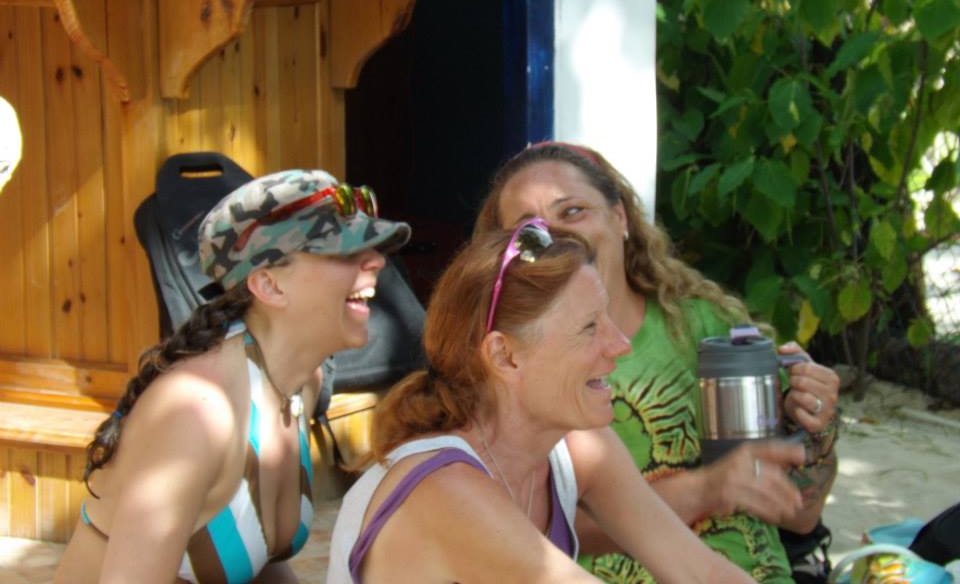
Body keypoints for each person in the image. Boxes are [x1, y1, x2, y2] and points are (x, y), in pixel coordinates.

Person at [473, 142, 841, 583]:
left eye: (572, 211)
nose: (556, 236)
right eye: (529, 230)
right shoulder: (514, 368)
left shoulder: (706, 326)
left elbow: (800, 516)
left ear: (621, 217)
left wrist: (818, 428)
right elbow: (525, 531)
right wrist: (706, 489)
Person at [327, 219, 761, 583]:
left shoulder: (576, 448)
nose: (620, 344)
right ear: (505, 356)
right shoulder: (446, 489)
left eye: (608, 317)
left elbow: (701, 572)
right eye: (589, 328)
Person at [55, 169, 411, 584]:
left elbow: (257, 558)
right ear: (269, 285)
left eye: (371, 247)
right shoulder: (197, 413)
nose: (376, 260)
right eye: (344, 253)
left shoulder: (300, 382)